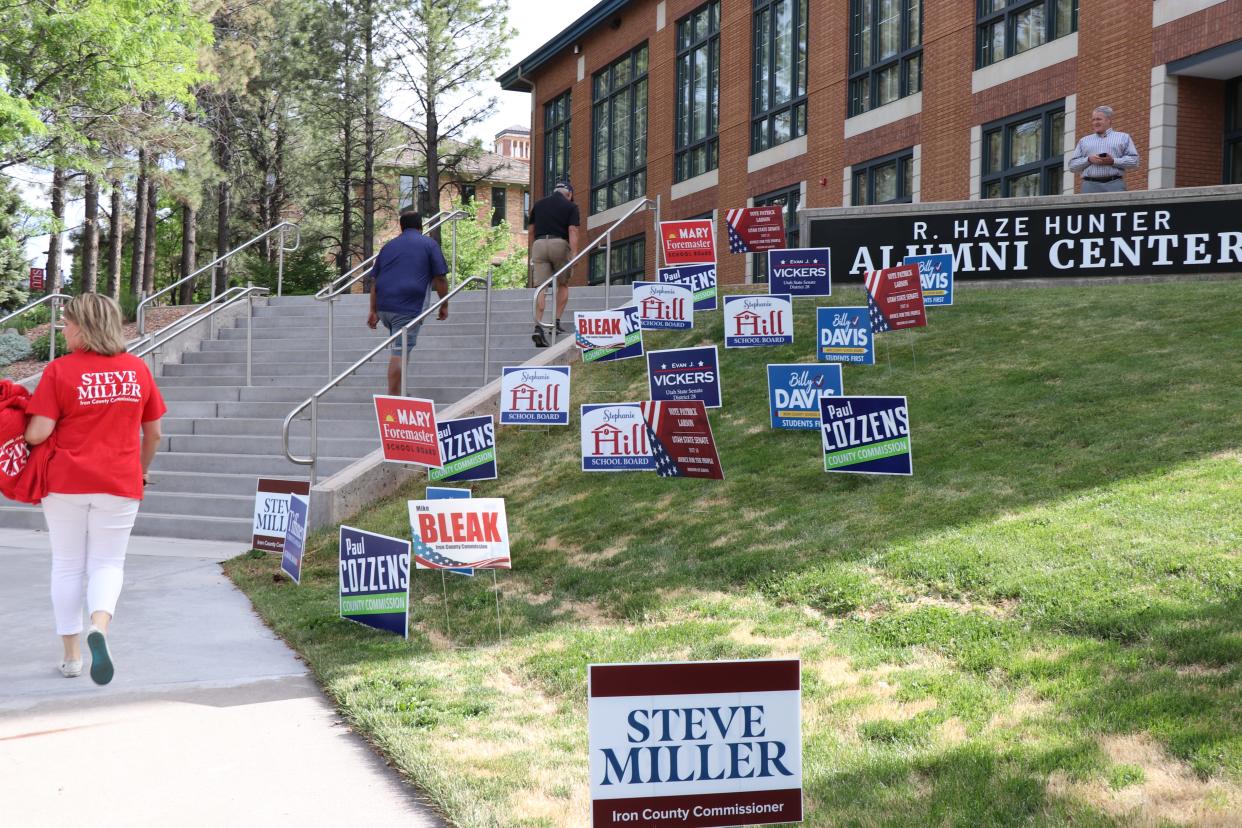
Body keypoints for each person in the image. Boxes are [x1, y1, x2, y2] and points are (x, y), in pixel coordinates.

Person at [24, 294, 166, 685]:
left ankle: (71, 657)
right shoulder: (137, 369)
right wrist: (140, 470)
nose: (64, 330)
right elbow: (153, 433)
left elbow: (39, 432)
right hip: (119, 482)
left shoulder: (60, 370)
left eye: (67, 323)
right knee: (108, 564)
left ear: (83, 327)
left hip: (66, 482)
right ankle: (99, 627)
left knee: (68, 564)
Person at [366, 210, 449, 395]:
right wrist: (444, 304)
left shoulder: (388, 246)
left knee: (402, 349)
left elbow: (375, 280)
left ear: (401, 226)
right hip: (407, 307)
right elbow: (440, 278)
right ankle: (394, 398)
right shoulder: (429, 244)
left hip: (385, 307)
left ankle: (400, 391)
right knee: (399, 353)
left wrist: (373, 310)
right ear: (421, 226)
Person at [527, 180, 580, 347]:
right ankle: (555, 323)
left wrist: (532, 250)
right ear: (569, 194)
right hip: (559, 244)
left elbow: (531, 231)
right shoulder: (571, 207)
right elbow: (573, 230)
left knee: (541, 287)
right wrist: (575, 253)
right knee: (563, 284)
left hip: (539, 244)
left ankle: (538, 326)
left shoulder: (539, 204)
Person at [1067, 106, 1140, 193]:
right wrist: (1089, 160)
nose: (1095, 122)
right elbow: (1072, 166)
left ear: (1109, 120)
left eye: (1098, 119)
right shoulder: (1084, 141)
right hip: (1089, 186)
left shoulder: (1123, 137)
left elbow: (1135, 162)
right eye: (1093, 120)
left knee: (1117, 207)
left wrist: (1112, 161)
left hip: (1114, 184)